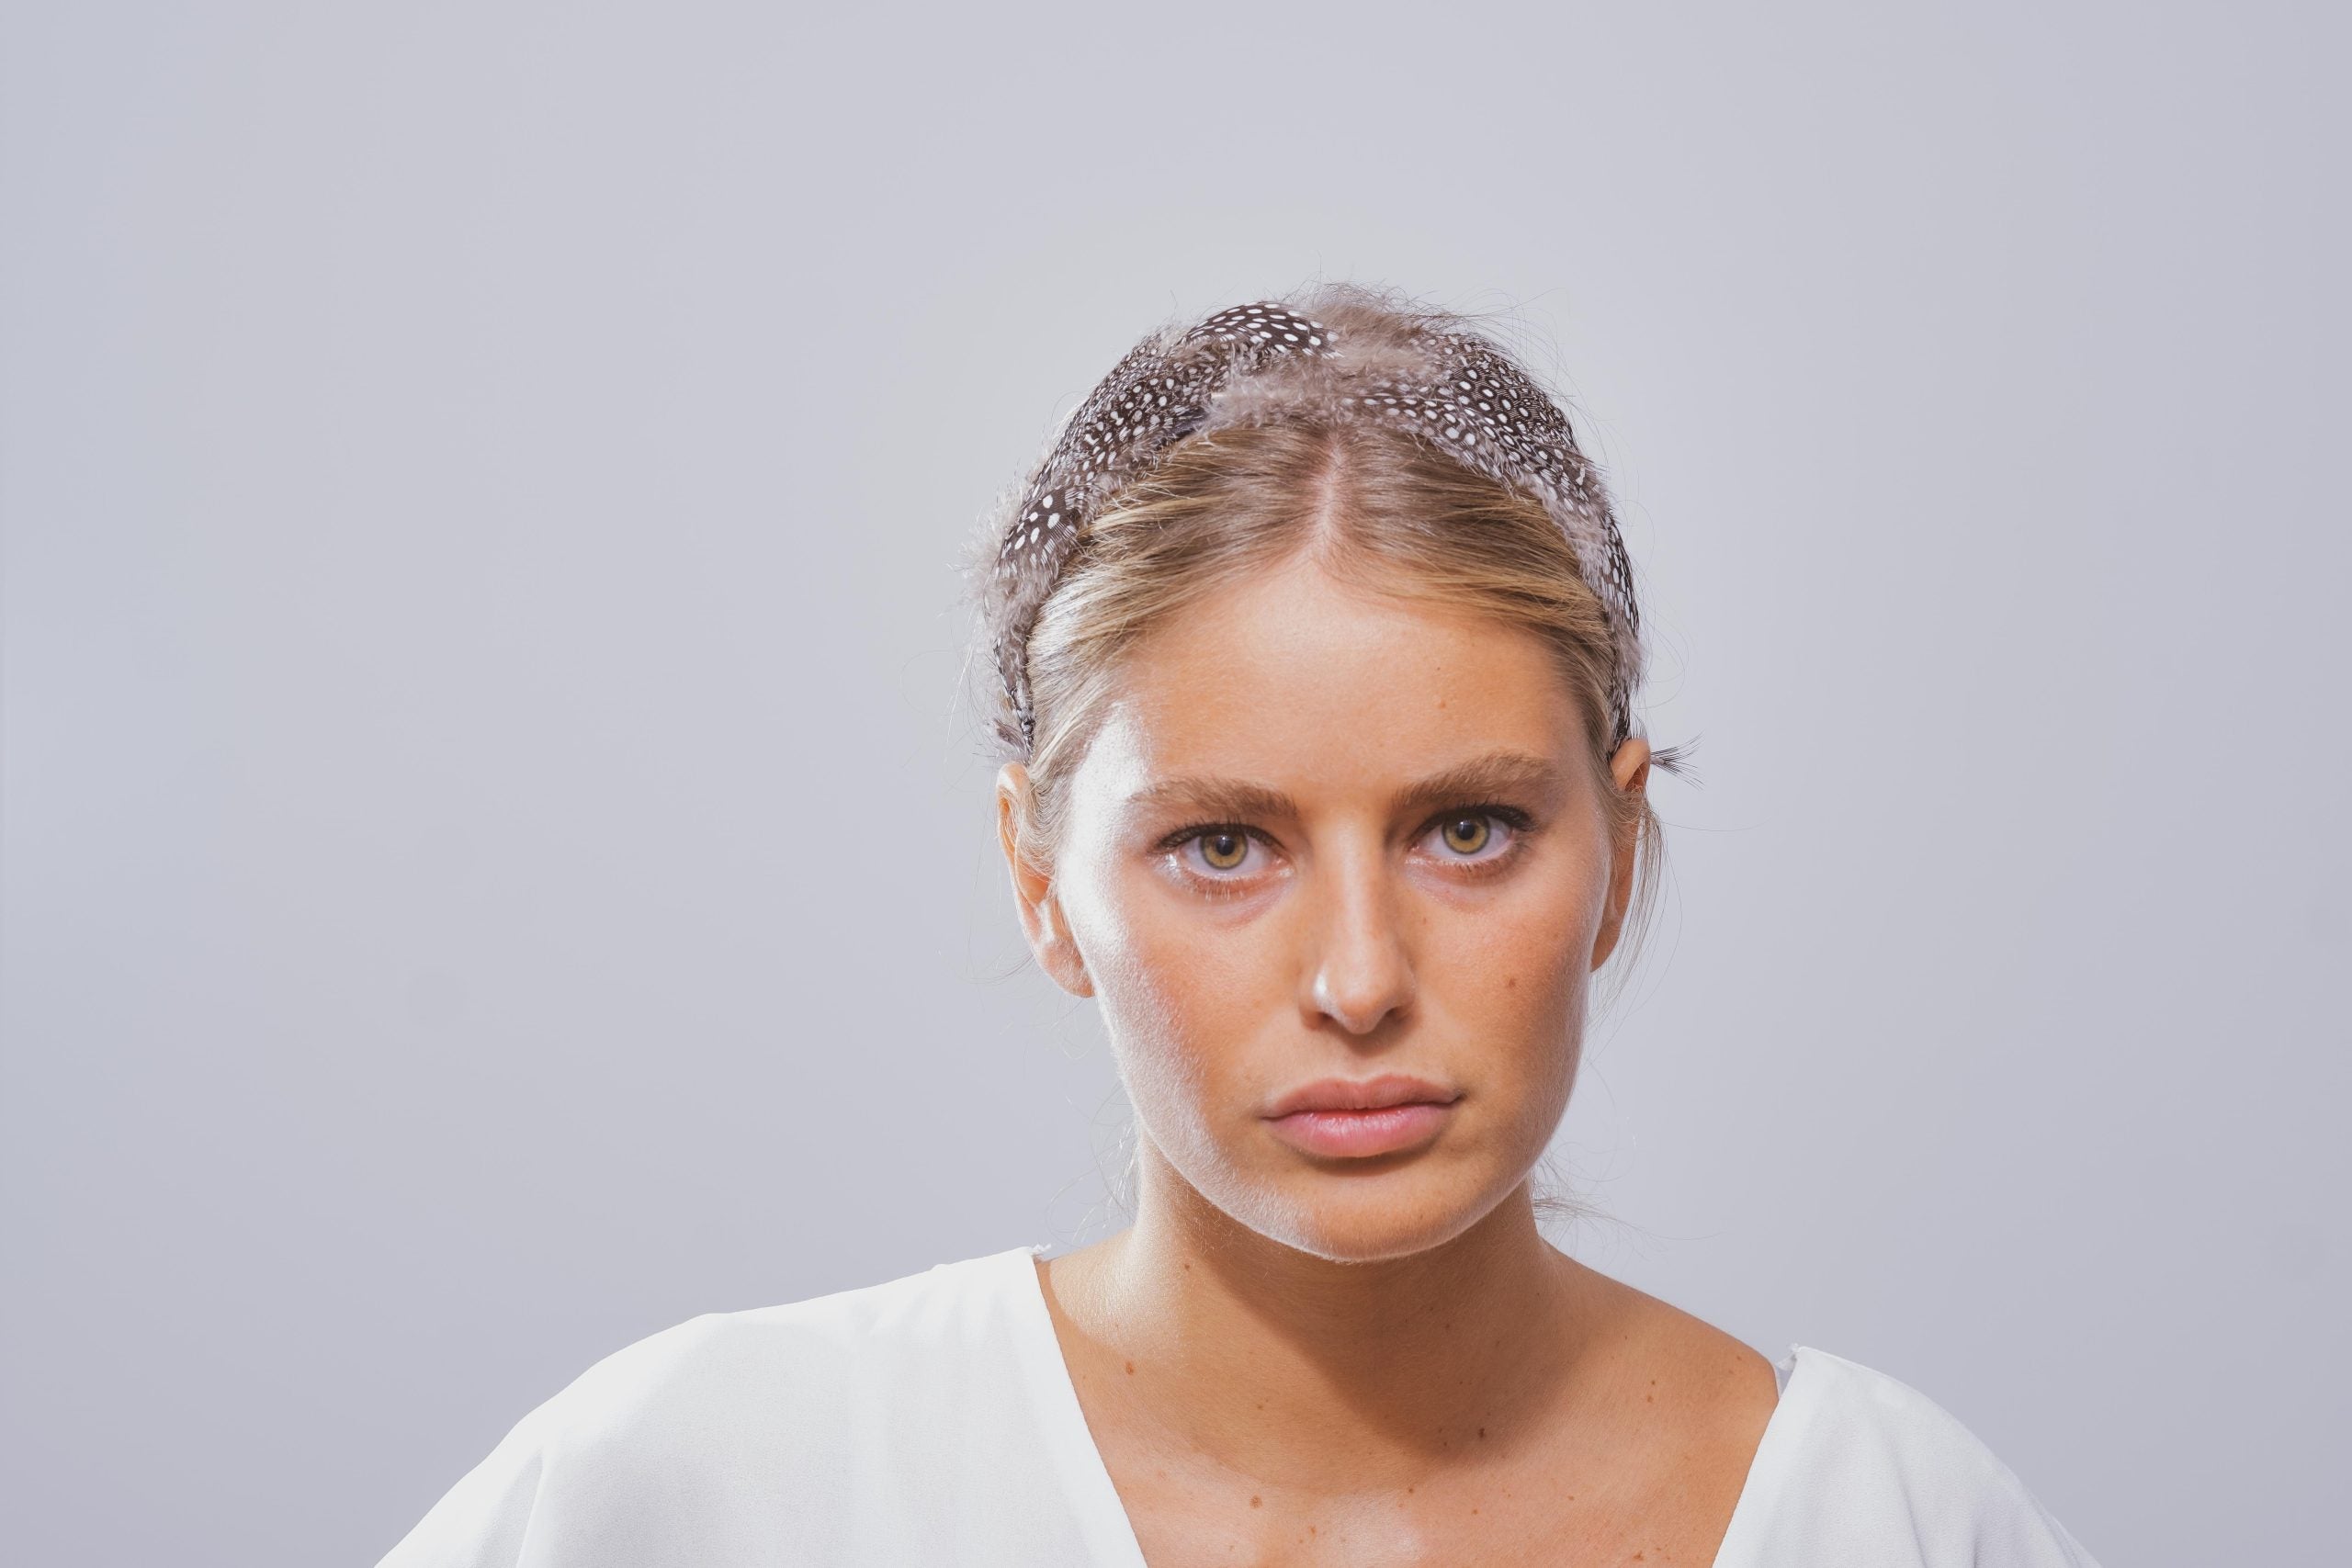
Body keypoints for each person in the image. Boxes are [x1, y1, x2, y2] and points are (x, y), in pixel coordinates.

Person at [379, 287, 2098, 1566]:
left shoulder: (1897, 1525)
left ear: (1621, 848)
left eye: (1470, 828)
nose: (1359, 981)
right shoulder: (711, 1495)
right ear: (1042, 880)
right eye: (1221, 845)